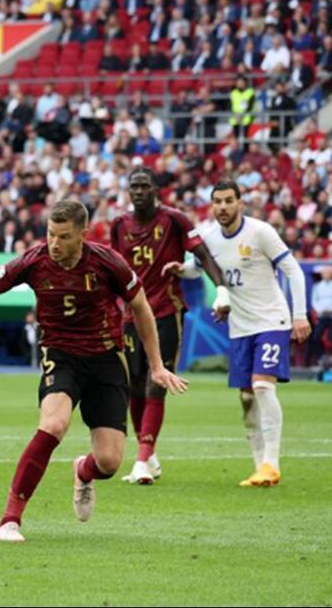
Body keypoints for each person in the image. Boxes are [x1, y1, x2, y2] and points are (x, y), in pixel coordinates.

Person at [0, 200, 188, 544]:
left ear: (83, 235)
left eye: (64, 236)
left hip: (106, 359)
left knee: (109, 462)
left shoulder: (107, 263)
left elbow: (141, 307)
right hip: (60, 355)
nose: (55, 244)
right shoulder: (34, 260)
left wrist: (157, 365)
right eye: (50, 234)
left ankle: (82, 471)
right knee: (53, 425)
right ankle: (9, 520)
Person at [166, 180, 310, 488]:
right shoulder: (211, 238)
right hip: (239, 328)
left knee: (262, 388)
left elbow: (293, 271)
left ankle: (272, 463)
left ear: (240, 203)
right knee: (246, 398)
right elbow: (198, 266)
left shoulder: (260, 232)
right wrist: (181, 268)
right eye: (217, 201)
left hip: (272, 321)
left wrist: (299, 315)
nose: (222, 207)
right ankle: (260, 468)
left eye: (229, 200)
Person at [111, 168, 229, 485]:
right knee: (134, 385)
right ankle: (146, 454)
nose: (138, 191)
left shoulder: (176, 221)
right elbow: (113, 271)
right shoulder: (119, 225)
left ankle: (140, 460)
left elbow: (203, 255)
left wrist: (221, 290)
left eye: (144, 186)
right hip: (130, 315)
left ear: (156, 190)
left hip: (165, 311)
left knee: (156, 380)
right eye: (133, 186)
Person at [308, 266, 332, 367]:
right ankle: (321, 357)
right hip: (321, 315)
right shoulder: (317, 286)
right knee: (315, 338)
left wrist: (331, 309)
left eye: (329, 273)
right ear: (322, 274)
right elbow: (314, 301)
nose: (327, 275)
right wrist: (321, 310)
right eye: (325, 273)